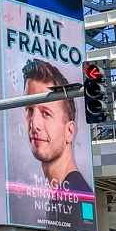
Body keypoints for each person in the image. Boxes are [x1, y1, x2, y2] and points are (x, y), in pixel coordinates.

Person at [22, 59, 91, 194]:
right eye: (30, 110)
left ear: (70, 131)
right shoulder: (63, 196)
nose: (34, 125)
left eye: (46, 113)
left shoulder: (75, 197)